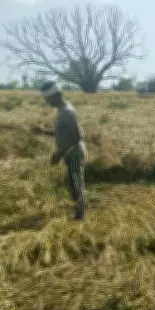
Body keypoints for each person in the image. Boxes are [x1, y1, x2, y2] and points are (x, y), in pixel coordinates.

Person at [37, 81, 88, 221]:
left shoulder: (67, 112)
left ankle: (80, 217)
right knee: (73, 184)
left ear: (57, 96)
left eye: (48, 99)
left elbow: (77, 136)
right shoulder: (62, 111)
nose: (47, 102)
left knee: (76, 184)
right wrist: (43, 131)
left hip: (74, 153)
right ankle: (79, 213)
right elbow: (62, 132)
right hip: (70, 153)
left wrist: (59, 153)